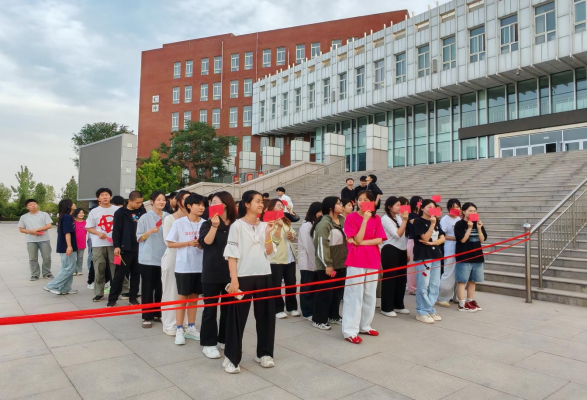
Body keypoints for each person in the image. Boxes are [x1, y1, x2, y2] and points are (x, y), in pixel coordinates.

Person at [223, 190, 279, 373]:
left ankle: (264, 353)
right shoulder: (237, 226)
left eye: (262, 201)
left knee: (266, 316)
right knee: (237, 318)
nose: (261, 204)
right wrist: (234, 280)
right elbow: (232, 255)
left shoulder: (265, 225)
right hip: (243, 277)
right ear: (246, 204)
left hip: (264, 274)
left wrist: (268, 233)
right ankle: (231, 358)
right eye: (257, 201)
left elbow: (269, 252)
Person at [342, 190, 387, 344]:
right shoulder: (351, 217)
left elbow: (379, 239)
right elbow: (357, 237)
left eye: (366, 199)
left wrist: (360, 243)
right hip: (356, 259)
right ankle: (350, 330)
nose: (362, 202)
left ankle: (365, 325)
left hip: (372, 259)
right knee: (354, 294)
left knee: (370, 294)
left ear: (372, 202)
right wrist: (365, 221)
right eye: (360, 199)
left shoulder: (377, 218)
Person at [199, 191, 237, 359]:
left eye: (215, 202)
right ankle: (208, 343)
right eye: (211, 202)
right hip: (212, 271)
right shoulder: (207, 223)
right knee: (210, 309)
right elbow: (205, 243)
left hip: (231, 272)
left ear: (225, 204)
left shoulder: (236, 224)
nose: (211, 205)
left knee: (229, 308)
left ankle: (224, 338)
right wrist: (214, 226)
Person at [166, 193, 206, 345]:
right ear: (189, 206)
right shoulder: (179, 223)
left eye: (203, 205)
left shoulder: (206, 223)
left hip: (200, 266)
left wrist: (202, 245)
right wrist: (188, 243)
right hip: (183, 266)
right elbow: (170, 243)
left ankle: (191, 327)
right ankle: (179, 329)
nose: (201, 207)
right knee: (182, 299)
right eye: (198, 204)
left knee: (194, 298)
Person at [312, 197, 348, 330]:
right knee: (325, 294)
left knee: (337, 293)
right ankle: (318, 319)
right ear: (331, 207)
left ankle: (334, 316)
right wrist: (328, 264)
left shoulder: (342, 220)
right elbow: (322, 245)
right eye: (338, 203)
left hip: (341, 263)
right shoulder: (324, 224)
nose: (341, 205)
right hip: (328, 266)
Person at [136, 191, 168, 328]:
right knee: (148, 288)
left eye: (163, 199)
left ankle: (157, 313)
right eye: (158, 199)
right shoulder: (145, 217)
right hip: (148, 258)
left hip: (165, 256)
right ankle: (146, 316)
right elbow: (138, 238)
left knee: (161, 288)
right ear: (152, 202)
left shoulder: (168, 217)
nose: (161, 202)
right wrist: (149, 231)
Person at [161, 190, 190, 336]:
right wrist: (189, 243)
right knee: (171, 291)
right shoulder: (169, 219)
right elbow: (168, 241)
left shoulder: (195, 219)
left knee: (186, 293)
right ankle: (169, 324)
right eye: (185, 199)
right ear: (178, 202)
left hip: (189, 260)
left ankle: (184, 323)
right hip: (173, 258)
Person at [413, 199, 446, 324]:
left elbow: (442, 237)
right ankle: (421, 311)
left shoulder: (436, 220)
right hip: (423, 256)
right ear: (422, 208)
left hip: (436, 255)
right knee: (423, 285)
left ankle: (429, 309)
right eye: (429, 207)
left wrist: (435, 242)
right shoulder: (418, 221)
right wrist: (432, 225)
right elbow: (425, 238)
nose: (432, 209)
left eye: (434, 207)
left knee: (435, 284)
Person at [109, 191, 144, 307]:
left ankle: (133, 298)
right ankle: (112, 299)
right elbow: (116, 230)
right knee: (119, 275)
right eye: (137, 202)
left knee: (136, 274)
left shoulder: (142, 211)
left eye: (141, 202)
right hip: (125, 248)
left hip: (139, 248)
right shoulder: (120, 212)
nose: (139, 204)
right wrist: (117, 246)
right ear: (129, 201)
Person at [267, 199, 299, 318]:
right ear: (271, 208)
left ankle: (292, 307)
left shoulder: (285, 220)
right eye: (278, 205)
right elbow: (274, 240)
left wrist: (291, 235)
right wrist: (279, 227)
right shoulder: (269, 222)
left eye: (282, 205)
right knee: (276, 285)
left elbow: (293, 233)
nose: (281, 207)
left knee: (291, 283)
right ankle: (278, 308)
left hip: (289, 257)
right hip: (276, 259)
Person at [380, 196, 411, 317]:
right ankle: (386, 307)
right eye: (397, 205)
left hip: (401, 249)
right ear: (389, 207)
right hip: (390, 249)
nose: (400, 207)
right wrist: (405, 221)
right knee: (390, 279)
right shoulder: (385, 219)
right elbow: (397, 234)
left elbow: (404, 236)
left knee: (401, 279)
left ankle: (398, 305)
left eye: (400, 205)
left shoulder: (398, 217)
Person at [86, 188, 118, 302]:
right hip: (98, 244)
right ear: (98, 198)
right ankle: (99, 293)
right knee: (99, 267)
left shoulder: (117, 210)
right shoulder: (94, 212)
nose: (105, 197)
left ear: (110, 196)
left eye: (107, 195)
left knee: (116, 267)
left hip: (114, 244)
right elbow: (88, 227)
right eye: (102, 195)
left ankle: (119, 291)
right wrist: (99, 233)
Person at [454, 203, 487, 312]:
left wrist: (479, 228)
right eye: (470, 211)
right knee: (462, 280)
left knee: (473, 280)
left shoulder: (478, 223)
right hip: (464, 256)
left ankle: (470, 301)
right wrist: (469, 228)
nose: (473, 213)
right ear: (463, 211)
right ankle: (461, 303)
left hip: (477, 256)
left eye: (474, 211)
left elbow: (482, 240)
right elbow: (462, 240)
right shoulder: (459, 224)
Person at [44, 200, 78, 295]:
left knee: (68, 268)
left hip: (66, 246)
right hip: (67, 246)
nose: (74, 204)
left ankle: (65, 288)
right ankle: (51, 285)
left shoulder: (65, 217)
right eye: (72, 203)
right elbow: (67, 232)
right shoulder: (67, 217)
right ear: (69, 206)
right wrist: (69, 246)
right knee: (68, 268)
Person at [297, 202, 322, 321]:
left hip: (317, 262)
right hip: (308, 262)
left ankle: (314, 309)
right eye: (320, 212)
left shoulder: (318, 224)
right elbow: (309, 246)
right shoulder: (306, 226)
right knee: (307, 288)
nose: (322, 214)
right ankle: (307, 312)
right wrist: (316, 262)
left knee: (315, 288)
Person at [18, 199, 54, 280]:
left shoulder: (44, 214)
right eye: (30, 205)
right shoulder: (24, 217)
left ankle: (47, 273)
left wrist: (37, 229)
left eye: (34, 204)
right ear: (27, 207)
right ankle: (34, 274)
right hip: (31, 240)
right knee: (33, 258)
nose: (33, 206)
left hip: (44, 239)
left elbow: (49, 225)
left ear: (37, 205)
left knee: (47, 257)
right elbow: (21, 229)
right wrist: (31, 232)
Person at [437, 199, 462, 307]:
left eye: (458, 206)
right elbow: (442, 234)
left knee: (459, 271)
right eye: (453, 207)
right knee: (449, 271)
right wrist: (455, 238)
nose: (456, 209)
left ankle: (457, 296)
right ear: (448, 208)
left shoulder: (459, 219)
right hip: (450, 246)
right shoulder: (444, 219)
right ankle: (442, 297)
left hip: (460, 246)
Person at [406, 196, 423, 295]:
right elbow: (416, 223)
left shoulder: (421, 214)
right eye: (419, 202)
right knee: (412, 265)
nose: (420, 204)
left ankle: (419, 286)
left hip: (421, 241)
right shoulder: (410, 215)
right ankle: (412, 287)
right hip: (412, 240)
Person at [73, 208, 87, 276]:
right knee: (73, 258)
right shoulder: (73, 222)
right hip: (74, 243)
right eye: (80, 213)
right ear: (76, 214)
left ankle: (79, 270)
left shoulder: (85, 223)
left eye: (82, 213)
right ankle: (73, 270)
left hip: (82, 242)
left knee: (80, 257)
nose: (81, 214)